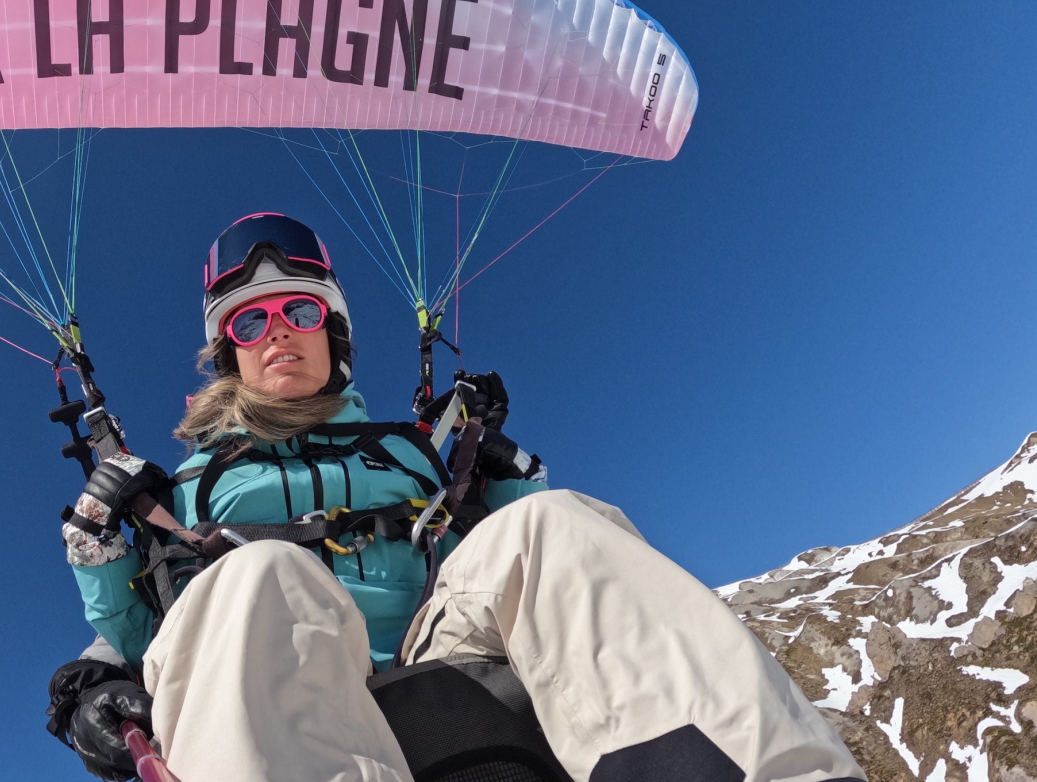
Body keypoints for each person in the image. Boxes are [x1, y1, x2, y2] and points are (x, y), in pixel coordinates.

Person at [45, 214, 863, 782]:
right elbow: (151, 627)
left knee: (555, 523)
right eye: (250, 324)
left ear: (333, 336)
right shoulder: (192, 481)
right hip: (272, 664)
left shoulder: (408, 447)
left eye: (299, 311)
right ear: (229, 355)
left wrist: (507, 474)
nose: (279, 333)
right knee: (253, 576)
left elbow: (511, 562)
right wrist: (95, 589)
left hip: (433, 646)